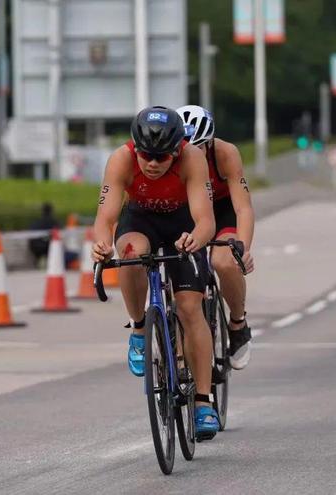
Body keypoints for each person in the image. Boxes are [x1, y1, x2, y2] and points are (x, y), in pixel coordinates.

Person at [92, 106, 221, 438]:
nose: (152, 163)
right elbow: (106, 218)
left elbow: (206, 220)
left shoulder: (192, 159)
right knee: (132, 252)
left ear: (177, 149)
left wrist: (196, 239)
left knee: (191, 308)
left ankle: (204, 403)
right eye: (146, 155)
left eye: (161, 157)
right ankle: (138, 329)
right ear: (135, 148)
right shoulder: (121, 160)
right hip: (141, 221)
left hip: (183, 224)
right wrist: (102, 245)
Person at [177, 105, 255, 370]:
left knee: (224, 261)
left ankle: (237, 323)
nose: (191, 155)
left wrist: (242, 249)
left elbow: (243, 208)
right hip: (190, 212)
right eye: (185, 148)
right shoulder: (171, 156)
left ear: (209, 143)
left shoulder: (225, 154)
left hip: (221, 212)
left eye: (198, 148)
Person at [28, 202, 77, 268]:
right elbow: (58, 233)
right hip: (47, 248)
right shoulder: (53, 222)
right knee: (73, 255)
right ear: (51, 211)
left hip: (35, 248)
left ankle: (44, 261)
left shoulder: (37, 222)